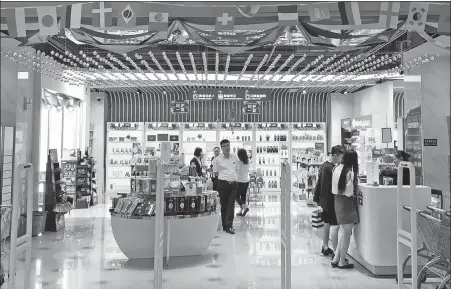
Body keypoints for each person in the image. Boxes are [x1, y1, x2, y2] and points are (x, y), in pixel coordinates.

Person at [313, 145, 344, 257]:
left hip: (325, 201)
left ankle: (325, 247)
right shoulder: (332, 168)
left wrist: (316, 198)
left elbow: (318, 183)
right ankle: (336, 253)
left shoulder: (325, 165)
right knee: (334, 226)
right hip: (331, 201)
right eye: (341, 156)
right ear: (335, 155)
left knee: (326, 223)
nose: (342, 159)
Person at [331, 149, 359, 269]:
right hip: (346, 203)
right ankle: (342, 261)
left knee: (344, 232)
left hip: (337, 200)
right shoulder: (349, 173)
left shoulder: (336, 168)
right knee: (347, 233)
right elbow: (349, 193)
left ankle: (336, 258)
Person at [213, 139, 239, 234]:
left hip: (233, 184)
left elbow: (236, 169)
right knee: (224, 205)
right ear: (221, 148)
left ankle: (229, 225)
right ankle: (225, 225)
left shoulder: (235, 157)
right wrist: (224, 177)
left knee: (231, 205)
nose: (227, 147)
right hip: (223, 184)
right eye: (225, 146)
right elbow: (215, 172)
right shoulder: (217, 159)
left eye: (228, 145)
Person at [236, 149, 250, 217]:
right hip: (246, 181)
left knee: (236, 196)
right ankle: (241, 211)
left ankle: (245, 208)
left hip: (239, 182)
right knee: (243, 196)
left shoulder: (238, 162)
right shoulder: (248, 162)